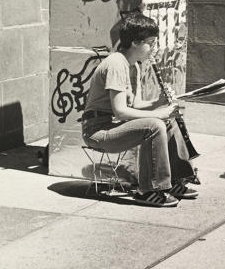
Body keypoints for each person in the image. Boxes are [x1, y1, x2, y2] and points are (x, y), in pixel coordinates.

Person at [82, 12, 199, 207]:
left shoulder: (132, 65)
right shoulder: (116, 64)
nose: (153, 48)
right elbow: (121, 111)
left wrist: (159, 102)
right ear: (135, 42)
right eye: (151, 43)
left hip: (115, 126)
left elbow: (134, 106)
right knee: (154, 125)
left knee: (168, 120)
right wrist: (157, 114)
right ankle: (150, 189)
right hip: (98, 131)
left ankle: (176, 180)